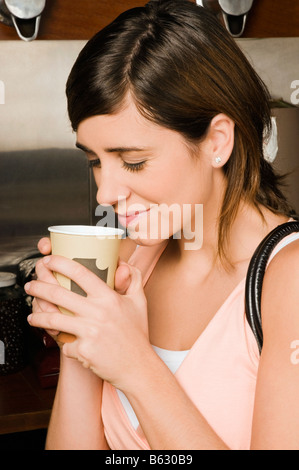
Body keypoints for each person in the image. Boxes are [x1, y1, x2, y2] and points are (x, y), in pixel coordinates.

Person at [25, 0, 299, 450]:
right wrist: (80, 340)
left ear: (216, 141)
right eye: (95, 161)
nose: (105, 194)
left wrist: (134, 364)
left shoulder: (285, 278)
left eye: (132, 162)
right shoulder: (134, 258)